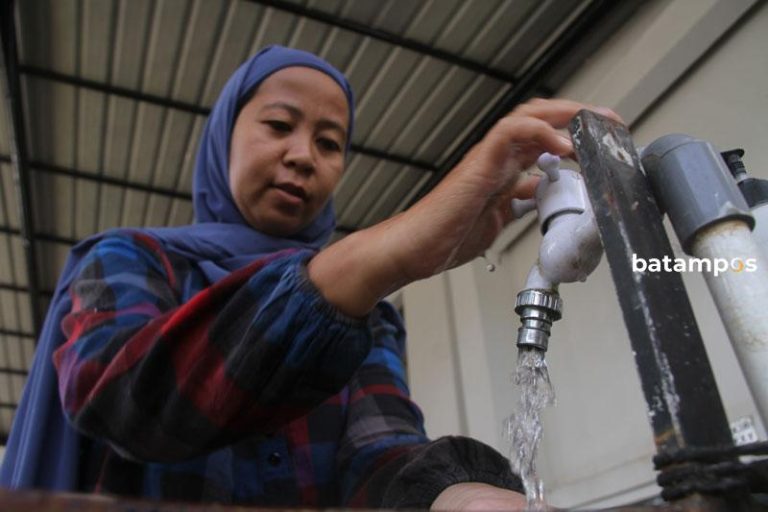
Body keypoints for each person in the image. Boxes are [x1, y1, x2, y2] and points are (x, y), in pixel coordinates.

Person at [0, 46, 618, 509]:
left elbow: (377, 452)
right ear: (223, 138)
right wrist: (384, 251)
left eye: (329, 142)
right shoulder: (128, 260)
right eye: (277, 125)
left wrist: (463, 497)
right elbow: (126, 399)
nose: (303, 156)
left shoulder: (369, 315)